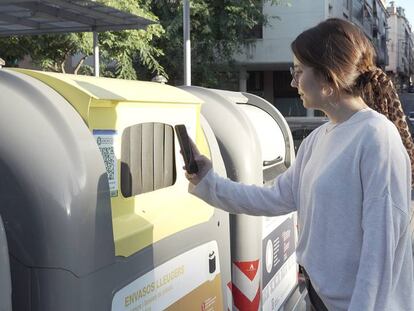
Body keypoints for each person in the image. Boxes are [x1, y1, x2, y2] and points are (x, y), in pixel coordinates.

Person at [183, 18, 414, 311]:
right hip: (319, 299)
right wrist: (208, 181)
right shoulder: (318, 139)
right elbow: (273, 198)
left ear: (329, 77)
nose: (293, 82)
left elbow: (380, 254)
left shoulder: (377, 137)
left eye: (299, 71)